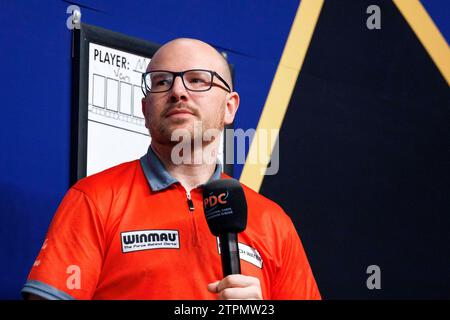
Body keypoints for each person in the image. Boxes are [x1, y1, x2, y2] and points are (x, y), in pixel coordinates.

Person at [22, 38, 321, 300]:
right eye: (162, 81)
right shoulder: (93, 199)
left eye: (198, 80)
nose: (178, 91)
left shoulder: (273, 222)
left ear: (230, 107)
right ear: (144, 108)